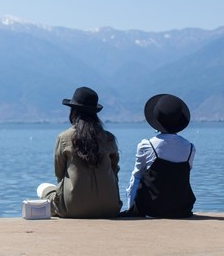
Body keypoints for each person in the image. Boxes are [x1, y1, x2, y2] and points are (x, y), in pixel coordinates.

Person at [37, 86, 122, 218]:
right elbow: (115, 170)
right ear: (95, 113)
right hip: (110, 207)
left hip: (73, 209)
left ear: (73, 112)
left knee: (43, 188)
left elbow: (59, 174)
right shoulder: (109, 138)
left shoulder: (64, 137)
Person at [123, 93, 196, 218]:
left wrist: (132, 210)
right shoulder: (190, 148)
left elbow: (136, 177)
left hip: (152, 210)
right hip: (181, 210)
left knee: (137, 176)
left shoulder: (147, 145)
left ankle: (133, 211)